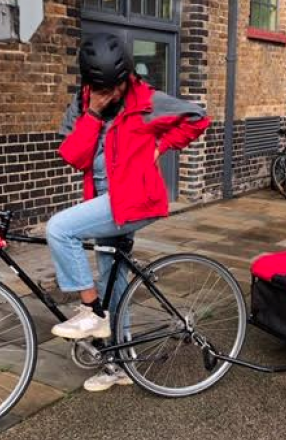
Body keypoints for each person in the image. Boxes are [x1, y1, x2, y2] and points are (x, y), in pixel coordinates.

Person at [47, 32, 210, 392]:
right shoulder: (81, 105)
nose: (113, 94)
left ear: (127, 77)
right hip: (104, 202)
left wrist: (162, 145)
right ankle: (120, 364)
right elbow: (74, 157)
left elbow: (198, 117)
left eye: (117, 86)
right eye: (104, 87)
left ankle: (92, 314)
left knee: (59, 229)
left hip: (135, 199)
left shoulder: (148, 101)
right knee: (111, 279)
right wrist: (92, 114)